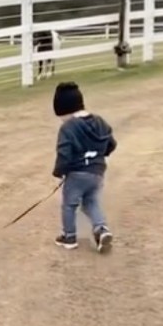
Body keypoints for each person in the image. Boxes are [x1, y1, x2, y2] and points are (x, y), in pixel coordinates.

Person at [51, 81, 117, 253]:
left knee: (69, 204)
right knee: (91, 202)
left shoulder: (68, 127)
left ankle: (69, 236)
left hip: (77, 173)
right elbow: (111, 143)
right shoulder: (100, 121)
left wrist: (59, 171)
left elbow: (64, 152)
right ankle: (101, 229)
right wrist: (99, 155)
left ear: (65, 110)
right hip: (97, 171)